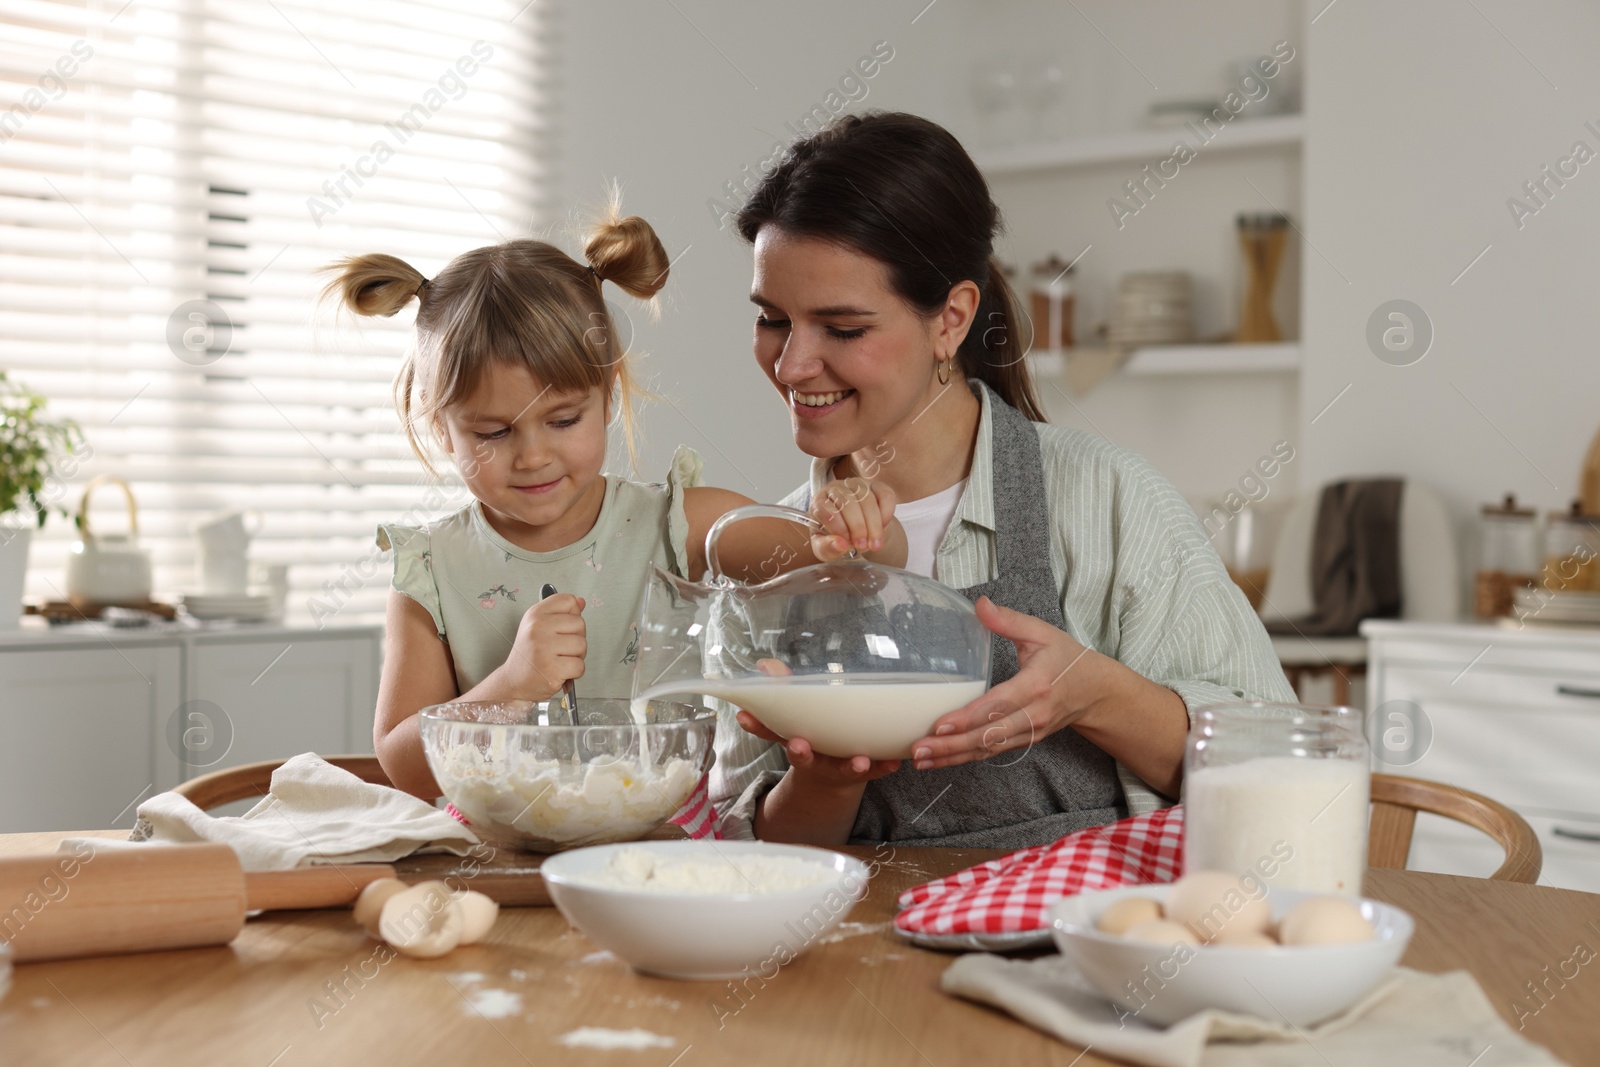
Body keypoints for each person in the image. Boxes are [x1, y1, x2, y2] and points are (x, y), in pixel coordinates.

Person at [714, 112, 1296, 849]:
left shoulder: (1105, 499)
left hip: (1071, 953)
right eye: (772, 319)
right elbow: (747, 855)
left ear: (951, 318)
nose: (793, 365)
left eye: (844, 328)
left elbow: (1284, 770)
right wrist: (827, 780)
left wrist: (1097, 693)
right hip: (855, 961)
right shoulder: (775, 548)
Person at [322, 203, 906, 801]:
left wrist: (858, 522)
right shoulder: (431, 570)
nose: (532, 457)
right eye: (492, 433)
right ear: (443, 430)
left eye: (563, 419)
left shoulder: (677, 525)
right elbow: (404, 766)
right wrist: (511, 686)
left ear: (608, 399)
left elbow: (857, 571)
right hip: (497, 851)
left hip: (663, 847)